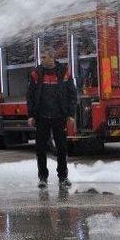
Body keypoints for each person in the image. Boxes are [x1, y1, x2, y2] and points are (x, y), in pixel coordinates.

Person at [26, 47, 77, 189]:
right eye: (41, 58)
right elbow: (30, 96)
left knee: (61, 148)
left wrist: (71, 114)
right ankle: (43, 178)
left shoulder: (64, 72)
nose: (42, 60)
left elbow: (72, 94)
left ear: (52, 57)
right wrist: (31, 115)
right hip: (41, 117)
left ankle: (63, 177)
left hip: (59, 116)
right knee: (40, 149)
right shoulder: (36, 73)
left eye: (44, 57)